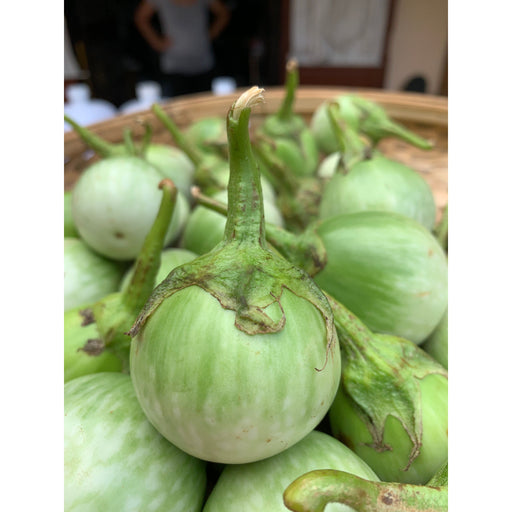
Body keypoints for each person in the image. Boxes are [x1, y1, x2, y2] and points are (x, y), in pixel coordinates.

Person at [134, 0, 231, 97]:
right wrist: (157, 42)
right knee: (175, 107)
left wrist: (210, 35)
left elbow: (223, 13)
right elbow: (141, 17)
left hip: (202, 62)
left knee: (205, 104)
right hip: (174, 65)